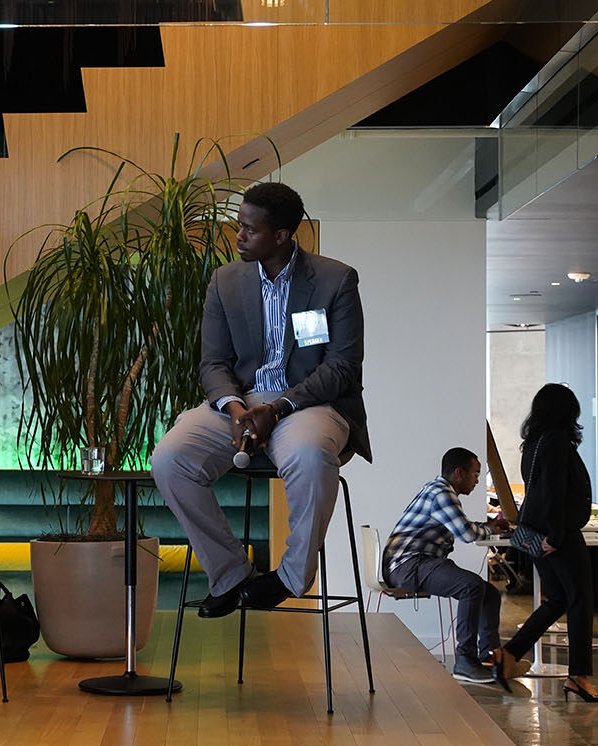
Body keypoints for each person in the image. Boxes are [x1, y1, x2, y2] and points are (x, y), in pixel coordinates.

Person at [151, 181, 371, 618]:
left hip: (309, 403)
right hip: (240, 401)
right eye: (238, 226)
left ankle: (290, 577)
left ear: (282, 235)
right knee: (169, 459)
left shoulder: (335, 280)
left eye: (249, 230)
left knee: (310, 457)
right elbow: (212, 362)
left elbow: (341, 367)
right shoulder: (225, 281)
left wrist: (277, 408)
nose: (238, 237)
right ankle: (231, 573)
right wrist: (235, 408)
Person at [498, 383, 598, 701]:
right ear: (566, 411)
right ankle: (580, 677)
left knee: (557, 600)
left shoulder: (533, 443)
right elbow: (554, 491)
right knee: (580, 602)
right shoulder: (557, 440)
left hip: (535, 532)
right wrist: (556, 537)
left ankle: (510, 654)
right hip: (558, 535)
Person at [382, 448, 515, 684]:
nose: (476, 480)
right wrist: (488, 529)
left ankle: (489, 658)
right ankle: (465, 661)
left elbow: (461, 525)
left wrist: (488, 526)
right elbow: (465, 533)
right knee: (471, 586)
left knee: (490, 593)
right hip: (408, 564)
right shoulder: (442, 493)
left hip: (415, 562)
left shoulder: (439, 489)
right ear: (459, 472)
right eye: (475, 474)